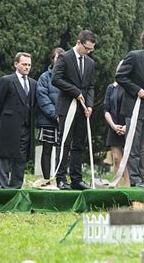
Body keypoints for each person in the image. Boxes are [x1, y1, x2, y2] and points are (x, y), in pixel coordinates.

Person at [52, 30, 96, 190]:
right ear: (79, 42)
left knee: (79, 144)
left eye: (91, 49)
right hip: (67, 107)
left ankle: (76, 179)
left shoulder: (90, 63)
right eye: (87, 48)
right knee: (64, 143)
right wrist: (75, 91)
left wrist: (90, 105)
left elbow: (91, 85)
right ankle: (61, 179)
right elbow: (55, 79)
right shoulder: (64, 57)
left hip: (83, 110)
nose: (89, 51)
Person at [0, 52, 37, 189]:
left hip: (26, 128)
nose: (27, 67)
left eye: (29, 65)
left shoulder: (33, 83)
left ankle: (15, 189)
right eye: (24, 64)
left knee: (21, 160)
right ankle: (2, 190)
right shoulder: (7, 80)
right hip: (9, 126)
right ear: (16, 64)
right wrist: (7, 118)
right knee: (5, 158)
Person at [116, 30, 144, 187]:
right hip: (133, 107)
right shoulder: (135, 56)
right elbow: (120, 76)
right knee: (133, 144)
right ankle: (135, 179)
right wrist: (137, 90)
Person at [36, 47, 65, 179]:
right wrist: (55, 115)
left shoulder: (68, 77)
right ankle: (47, 179)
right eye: (56, 58)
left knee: (62, 150)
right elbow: (43, 99)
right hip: (48, 120)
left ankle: (60, 178)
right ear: (52, 59)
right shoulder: (44, 77)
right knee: (47, 149)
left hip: (64, 120)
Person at [103, 60, 129, 187]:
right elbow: (106, 110)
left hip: (128, 126)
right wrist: (113, 125)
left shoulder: (131, 87)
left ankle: (128, 186)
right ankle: (117, 186)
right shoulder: (110, 88)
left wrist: (126, 126)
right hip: (113, 126)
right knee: (117, 159)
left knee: (127, 159)